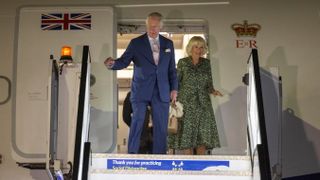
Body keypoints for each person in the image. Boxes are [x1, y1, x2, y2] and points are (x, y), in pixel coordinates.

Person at [104, 12, 178, 154]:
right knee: (137, 121)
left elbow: (171, 70)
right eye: (150, 26)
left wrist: (174, 88)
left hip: (161, 90)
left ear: (160, 27)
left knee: (161, 125)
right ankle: (132, 154)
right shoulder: (136, 43)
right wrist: (112, 64)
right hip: (141, 89)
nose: (152, 29)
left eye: (155, 27)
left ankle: (160, 157)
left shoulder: (168, 44)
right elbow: (124, 61)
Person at [167, 36, 222, 155]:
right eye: (196, 46)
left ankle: (200, 163)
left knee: (203, 135)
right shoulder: (183, 62)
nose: (199, 50)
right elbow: (176, 81)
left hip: (203, 104)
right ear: (191, 48)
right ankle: (189, 164)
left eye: (201, 47)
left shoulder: (207, 63)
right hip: (186, 103)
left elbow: (209, 83)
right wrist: (172, 97)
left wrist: (213, 91)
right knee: (187, 135)